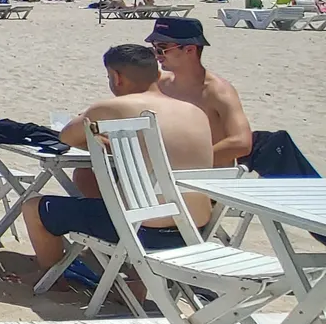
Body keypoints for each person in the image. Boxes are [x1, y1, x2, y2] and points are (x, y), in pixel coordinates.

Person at [20, 43, 215, 275]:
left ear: (116, 77)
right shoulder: (195, 112)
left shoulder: (111, 108)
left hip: (142, 230)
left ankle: (57, 282)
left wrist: (99, 141)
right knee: (89, 179)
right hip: (195, 230)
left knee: (33, 208)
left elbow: (67, 136)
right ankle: (136, 282)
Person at [147, 17, 252, 166]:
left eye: (162, 48)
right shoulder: (160, 85)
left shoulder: (217, 91)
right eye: (154, 48)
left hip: (205, 175)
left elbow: (241, 142)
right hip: (164, 173)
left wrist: (188, 163)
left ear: (190, 50)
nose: (157, 55)